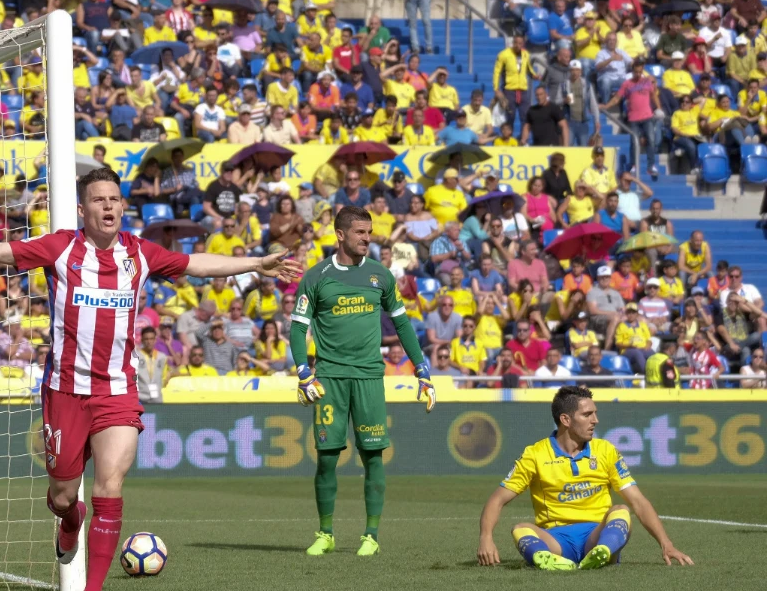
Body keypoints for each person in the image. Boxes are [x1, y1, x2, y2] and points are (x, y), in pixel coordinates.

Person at [0, 167, 300, 591]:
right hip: (64, 392)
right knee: (62, 494)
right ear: (83, 209)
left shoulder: (139, 254)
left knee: (110, 486)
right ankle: (69, 519)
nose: (108, 206)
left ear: (122, 206)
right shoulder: (61, 249)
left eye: (114, 200)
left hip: (117, 392)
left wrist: (256, 263)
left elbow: (198, 264)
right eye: (98, 200)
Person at [290, 205, 434, 558]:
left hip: (369, 376)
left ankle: (371, 535)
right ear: (340, 234)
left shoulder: (381, 275)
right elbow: (297, 328)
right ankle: (326, 532)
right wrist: (303, 371)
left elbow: (402, 324)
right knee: (326, 458)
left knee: (373, 456)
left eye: (369, 232)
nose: (367, 238)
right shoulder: (316, 276)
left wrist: (422, 368)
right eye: (360, 232)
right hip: (329, 379)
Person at [477, 386, 693, 570]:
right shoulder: (535, 454)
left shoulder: (606, 451)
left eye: (595, 413)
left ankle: (602, 552)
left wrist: (667, 544)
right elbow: (497, 499)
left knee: (621, 511)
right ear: (566, 420)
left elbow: (638, 502)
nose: (595, 420)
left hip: (596, 535)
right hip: (556, 539)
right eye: (587, 414)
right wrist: (486, 538)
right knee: (520, 529)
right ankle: (550, 560)